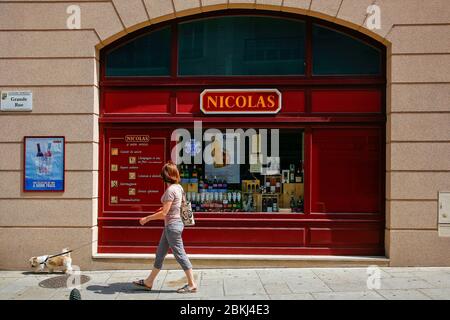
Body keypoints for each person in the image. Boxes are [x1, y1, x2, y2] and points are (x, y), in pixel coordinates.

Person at [133, 161, 197, 293]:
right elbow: (175, 206)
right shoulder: (178, 187)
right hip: (174, 225)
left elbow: (164, 214)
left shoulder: (170, 190)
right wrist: (164, 208)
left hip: (172, 226)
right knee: (160, 254)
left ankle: (191, 284)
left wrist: (147, 218)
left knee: (180, 254)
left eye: (164, 172)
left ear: (167, 175)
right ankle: (149, 282)